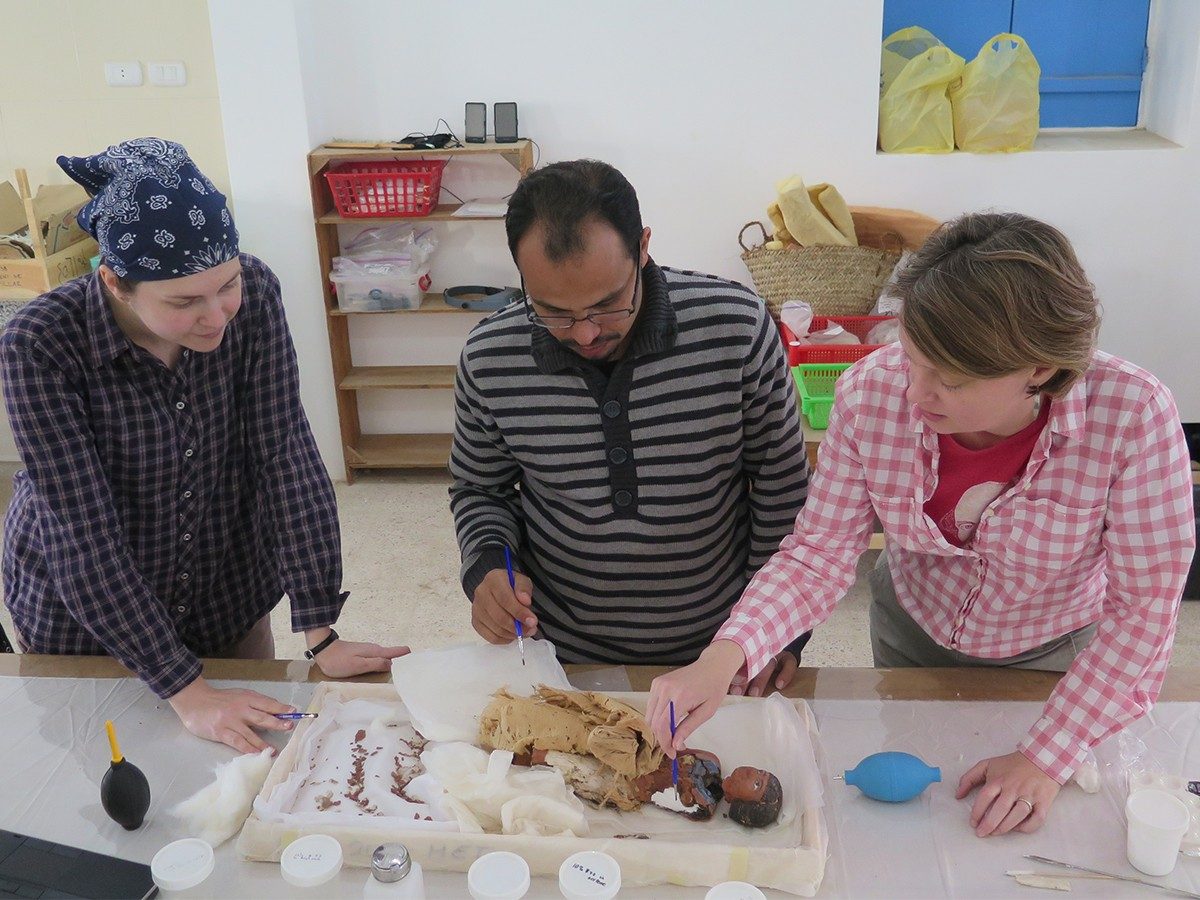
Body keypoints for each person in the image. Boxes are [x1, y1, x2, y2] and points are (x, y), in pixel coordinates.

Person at [647, 212, 1195, 836]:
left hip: (1054, 653)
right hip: (913, 625)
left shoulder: (1132, 416)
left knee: (1031, 822)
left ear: (1039, 371)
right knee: (916, 804)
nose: (915, 394)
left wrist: (1046, 756)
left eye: (951, 380)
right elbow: (819, 553)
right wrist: (727, 653)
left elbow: (1144, 610)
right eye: (911, 359)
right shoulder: (870, 394)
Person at [0, 138, 409, 754]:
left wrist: (320, 630)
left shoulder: (258, 297)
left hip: (225, 590)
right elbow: (81, 531)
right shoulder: (40, 343)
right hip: (92, 621)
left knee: (248, 766)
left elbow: (286, 457)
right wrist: (186, 690)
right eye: (183, 301)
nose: (217, 316)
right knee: (113, 772)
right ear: (114, 283)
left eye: (226, 285)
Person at [450, 159, 811, 687]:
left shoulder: (735, 328)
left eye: (608, 304)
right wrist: (487, 569)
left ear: (642, 248)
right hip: (561, 656)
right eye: (552, 311)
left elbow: (781, 489)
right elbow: (481, 489)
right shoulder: (489, 357)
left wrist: (774, 629)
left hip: (724, 651)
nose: (586, 334)